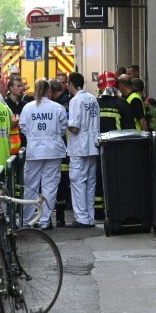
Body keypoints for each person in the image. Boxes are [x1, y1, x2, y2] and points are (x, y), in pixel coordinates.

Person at [19, 79, 68, 230]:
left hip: (34, 151)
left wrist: (35, 137)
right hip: (54, 150)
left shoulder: (28, 107)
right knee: (50, 187)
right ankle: (45, 221)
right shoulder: (57, 107)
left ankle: (27, 221)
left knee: (30, 186)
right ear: (49, 91)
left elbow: (23, 127)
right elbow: (63, 128)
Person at [66, 72, 100, 228]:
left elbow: (74, 127)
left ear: (71, 84)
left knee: (78, 181)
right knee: (90, 182)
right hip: (93, 145)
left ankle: (81, 218)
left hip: (79, 147)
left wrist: (64, 122)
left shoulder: (75, 101)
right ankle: (90, 216)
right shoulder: (93, 99)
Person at [50, 80, 71, 226]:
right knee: (62, 183)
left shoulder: (58, 106)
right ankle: (60, 217)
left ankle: (55, 216)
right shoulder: (64, 103)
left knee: (55, 183)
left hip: (60, 148)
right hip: (64, 148)